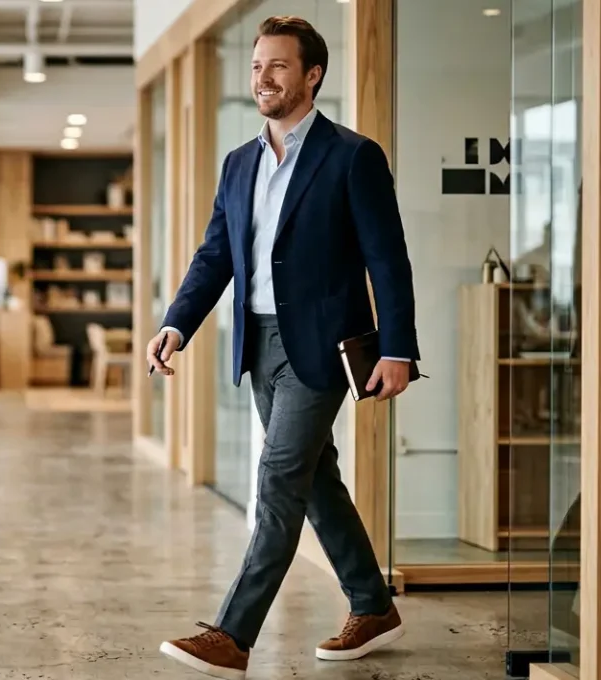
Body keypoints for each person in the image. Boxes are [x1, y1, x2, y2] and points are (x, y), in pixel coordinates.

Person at [150, 16, 418, 679]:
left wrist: (398, 349)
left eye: (277, 65)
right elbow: (216, 255)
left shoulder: (352, 156)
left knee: (277, 480)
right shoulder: (239, 162)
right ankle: (372, 603)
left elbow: (388, 260)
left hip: (322, 348)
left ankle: (233, 635)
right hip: (259, 344)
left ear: (312, 75)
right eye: (256, 66)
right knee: (314, 479)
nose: (262, 78)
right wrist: (177, 323)